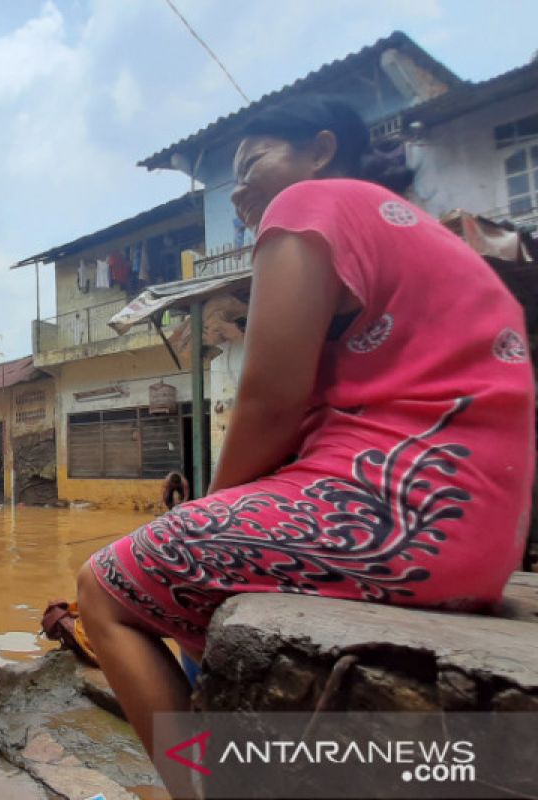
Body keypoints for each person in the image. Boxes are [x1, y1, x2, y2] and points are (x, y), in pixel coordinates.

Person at [76, 97, 533, 780]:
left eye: (252, 162)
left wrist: (212, 512)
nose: (239, 192)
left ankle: (196, 782)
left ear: (320, 149)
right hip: (476, 540)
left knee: (103, 591)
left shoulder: (309, 203)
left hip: (395, 520)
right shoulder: (414, 231)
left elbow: (268, 400)